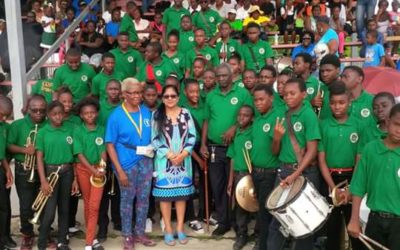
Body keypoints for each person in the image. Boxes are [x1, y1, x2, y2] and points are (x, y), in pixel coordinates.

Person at [267, 78, 321, 250]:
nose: (287, 97)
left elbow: (312, 150)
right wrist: (276, 138)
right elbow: (275, 151)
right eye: (285, 94)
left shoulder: (308, 115)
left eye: (293, 93)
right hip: (284, 170)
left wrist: (295, 175)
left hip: (303, 173)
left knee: (304, 223)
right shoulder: (281, 114)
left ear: (304, 95)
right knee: (278, 219)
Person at [200, 63, 253, 237]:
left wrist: (234, 128)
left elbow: (250, 116)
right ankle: (223, 222)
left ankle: (238, 224)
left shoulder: (242, 93)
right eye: (218, 76)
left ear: (232, 75)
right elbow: (207, 121)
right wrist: (203, 143)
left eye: (224, 75)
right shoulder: (211, 96)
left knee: (237, 187)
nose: (221, 79)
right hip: (215, 148)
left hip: (236, 147)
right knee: (218, 186)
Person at [105, 78, 155, 250]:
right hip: (126, 163)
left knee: (144, 199)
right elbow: (110, 144)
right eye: (132, 93)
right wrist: (119, 170)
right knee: (127, 200)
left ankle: (140, 232)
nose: (137, 96)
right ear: (124, 94)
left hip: (146, 161)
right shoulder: (116, 116)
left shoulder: (146, 112)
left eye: (139, 92)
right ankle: (127, 235)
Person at [318, 82, 365, 250]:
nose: (337, 107)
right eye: (333, 103)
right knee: (332, 229)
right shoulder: (323, 124)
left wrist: (351, 188)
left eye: (341, 102)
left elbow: (360, 160)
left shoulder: (359, 125)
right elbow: (321, 160)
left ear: (349, 102)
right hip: (330, 179)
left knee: (355, 228)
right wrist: (333, 189)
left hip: (352, 179)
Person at [347, 103, 400, 250]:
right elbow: (358, 186)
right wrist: (354, 219)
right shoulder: (371, 149)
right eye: (397, 124)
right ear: (388, 121)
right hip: (375, 220)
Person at [152, 85, 196, 245]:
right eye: (166, 96)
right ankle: (168, 229)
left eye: (172, 96)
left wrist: (183, 154)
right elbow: (155, 139)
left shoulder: (186, 113)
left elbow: (192, 135)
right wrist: (170, 155)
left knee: (181, 196)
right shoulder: (157, 115)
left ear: (178, 97)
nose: (169, 99)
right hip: (165, 163)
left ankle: (180, 228)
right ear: (162, 98)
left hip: (184, 161)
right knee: (165, 196)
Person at [35, 101, 78, 250]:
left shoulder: (70, 129)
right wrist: (43, 181)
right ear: (48, 115)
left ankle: (62, 241)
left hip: (67, 171)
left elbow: (76, 155)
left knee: (65, 208)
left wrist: (76, 179)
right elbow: (39, 157)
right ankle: (42, 242)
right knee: (50, 210)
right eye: (54, 114)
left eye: (60, 113)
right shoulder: (43, 132)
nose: (58, 116)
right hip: (50, 172)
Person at [7, 95, 47, 250]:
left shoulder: (49, 124)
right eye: (34, 110)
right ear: (28, 109)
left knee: (44, 204)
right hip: (24, 169)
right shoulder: (17, 125)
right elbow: (9, 145)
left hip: (43, 170)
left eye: (42, 110)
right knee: (25, 206)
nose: (38, 113)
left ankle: (44, 233)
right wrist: (25, 150)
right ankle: (27, 235)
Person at [250, 84, 282, 250]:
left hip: (270, 174)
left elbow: (275, 151)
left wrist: (276, 139)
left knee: (266, 215)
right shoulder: (258, 118)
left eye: (262, 99)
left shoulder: (276, 117)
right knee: (261, 213)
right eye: (255, 100)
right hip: (256, 172)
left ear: (271, 98)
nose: (258, 103)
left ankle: (265, 246)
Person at [73, 98, 106, 250]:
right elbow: (79, 154)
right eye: (86, 113)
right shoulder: (78, 130)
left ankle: (88, 243)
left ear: (97, 113)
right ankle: (92, 239)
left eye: (92, 112)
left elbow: (104, 151)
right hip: (83, 170)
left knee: (94, 206)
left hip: (98, 170)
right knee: (87, 203)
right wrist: (93, 171)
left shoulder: (101, 129)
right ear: (81, 115)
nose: (90, 115)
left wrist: (102, 167)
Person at [180, 79, 207, 233]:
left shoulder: (203, 107)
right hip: (188, 150)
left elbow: (204, 127)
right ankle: (191, 217)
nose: (195, 94)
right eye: (192, 92)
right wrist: (197, 159)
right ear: (185, 92)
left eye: (197, 91)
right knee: (188, 183)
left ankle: (204, 213)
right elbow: (184, 141)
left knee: (204, 182)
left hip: (201, 146)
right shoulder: (183, 111)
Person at [97, 79, 122, 242]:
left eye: (116, 89)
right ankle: (103, 225)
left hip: (119, 153)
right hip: (103, 152)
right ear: (106, 90)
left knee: (118, 190)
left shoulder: (123, 107)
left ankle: (118, 220)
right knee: (104, 191)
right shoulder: (100, 107)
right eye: (111, 89)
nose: (113, 92)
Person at [226, 105, 254, 250]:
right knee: (240, 206)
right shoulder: (236, 133)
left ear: (252, 118)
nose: (242, 118)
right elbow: (233, 158)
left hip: (252, 174)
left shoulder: (254, 132)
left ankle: (258, 233)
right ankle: (242, 234)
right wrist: (231, 180)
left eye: (246, 115)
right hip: (239, 175)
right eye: (240, 115)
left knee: (257, 205)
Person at [0, 96, 13, 250]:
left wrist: (8, 169)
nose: (4, 118)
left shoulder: (4, 126)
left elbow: (2, 152)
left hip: (1, 168)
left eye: (6, 116)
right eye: (1, 114)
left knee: (5, 206)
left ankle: (5, 236)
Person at [317, 54, 341, 120]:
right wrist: (313, 104)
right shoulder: (320, 88)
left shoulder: (344, 89)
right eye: (322, 71)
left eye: (328, 70)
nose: (324, 74)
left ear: (338, 70)